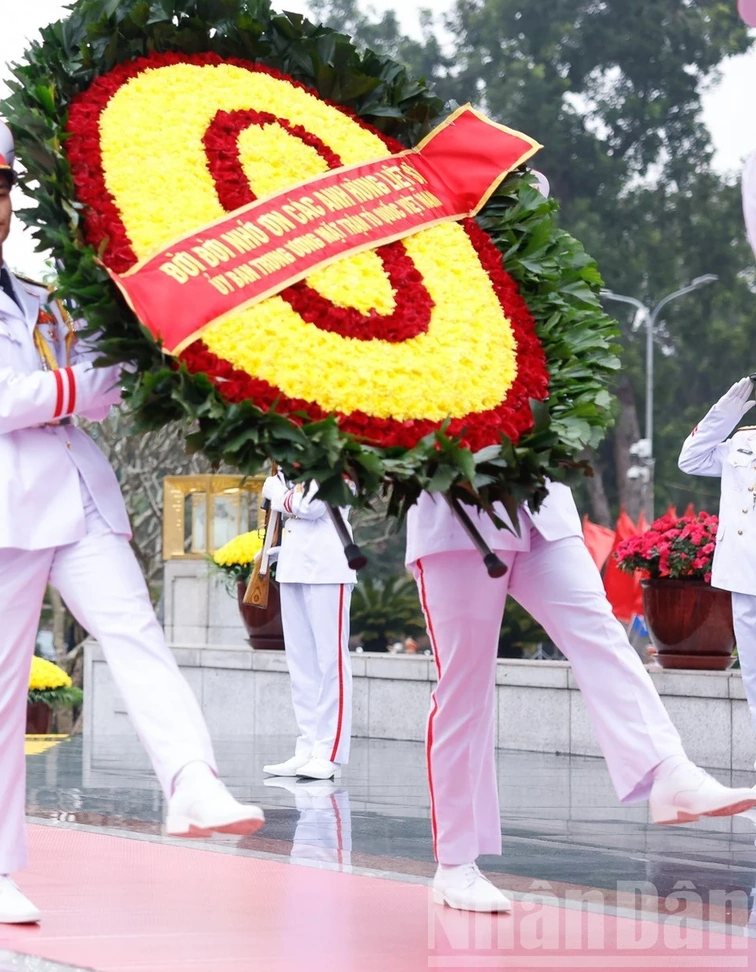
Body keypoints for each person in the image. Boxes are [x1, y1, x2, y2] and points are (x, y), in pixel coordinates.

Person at [0, 113, 262, 924]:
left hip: (79, 490)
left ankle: (191, 782)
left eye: (0, 192)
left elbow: (115, 369)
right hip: (1, 501)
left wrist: (96, 369)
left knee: (136, 633)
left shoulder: (48, 295)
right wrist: (79, 386)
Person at [407, 480, 756, 913]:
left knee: (601, 632)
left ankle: (669, 769)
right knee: (464, 685)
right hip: (455, 517)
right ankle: (455, 863)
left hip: (541, 507)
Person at [260, 469, 355, 781]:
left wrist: (276, 494)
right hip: (295, 566)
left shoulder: (338, 459)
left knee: (331, 664)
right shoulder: (291, 467)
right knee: (301, 666)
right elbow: (300, 518)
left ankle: (328, 752)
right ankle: (309, 745)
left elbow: (312, 506)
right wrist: (280, 552)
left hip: (330, 568)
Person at [680, 377, 756, 755]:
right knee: (754, 680)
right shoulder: (742, 441)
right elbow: (690, 458)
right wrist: (729, 406)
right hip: (746, 573)